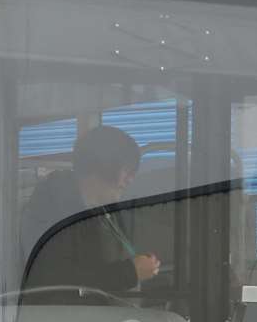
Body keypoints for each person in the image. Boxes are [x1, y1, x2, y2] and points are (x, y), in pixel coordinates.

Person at [20, 123, 160, 297]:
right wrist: (129, 273)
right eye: (126, 171)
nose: (130, 179)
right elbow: (54, 281)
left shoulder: (105, 208)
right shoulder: (53, 210)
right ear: (103, 165)